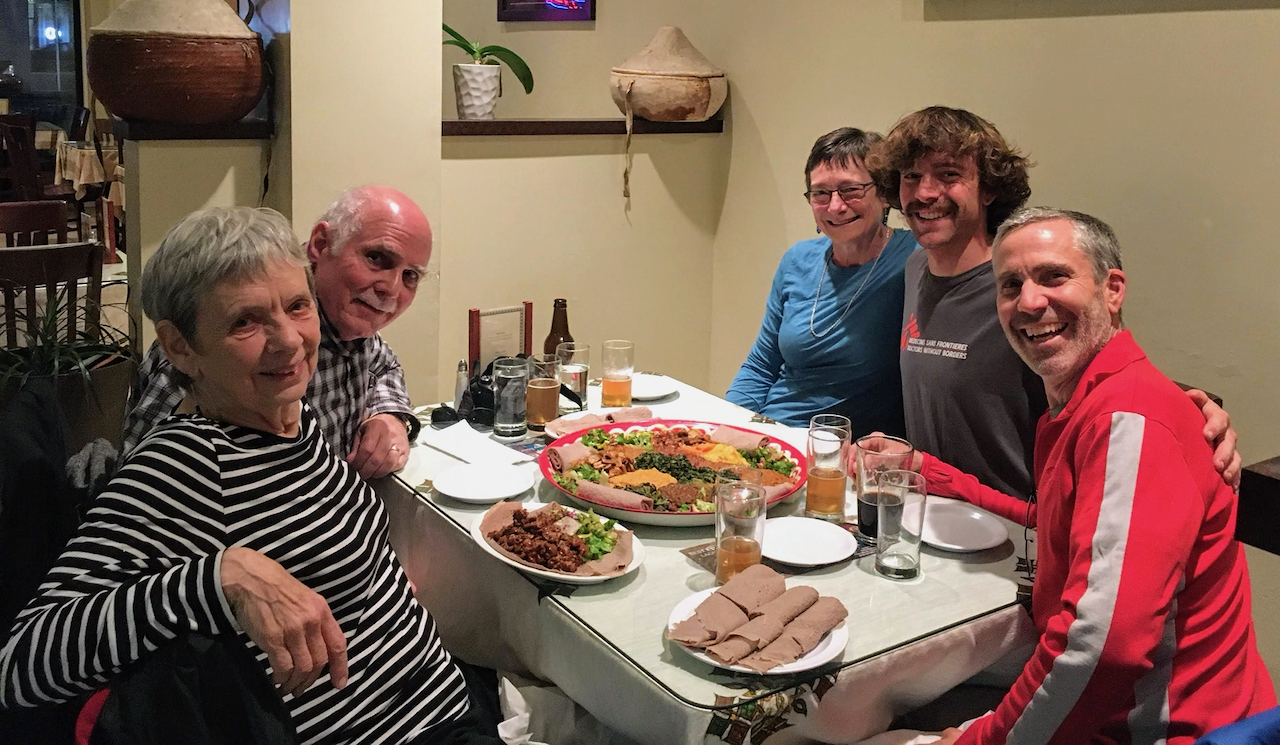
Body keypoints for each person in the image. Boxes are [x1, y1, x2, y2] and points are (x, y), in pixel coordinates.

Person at [0, 208, 499, 744]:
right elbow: (21, 664)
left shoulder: (292, 416)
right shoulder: (186, 463)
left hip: (445, 698)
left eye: (298, 306)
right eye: (245, 321)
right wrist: (221, 577)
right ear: (180, 346)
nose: (288, 340)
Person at [910, 209, 1274, 744]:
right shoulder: (1086, 404)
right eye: (1011, 285)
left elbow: (1103, 644)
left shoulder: (1128, 420)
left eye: (1054, 276)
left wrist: (978, 741)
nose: (1029, 302)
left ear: (1113, 290)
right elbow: (1052, 526)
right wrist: (928, 472)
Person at [865, 106, 1240, 496]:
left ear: (988, 189)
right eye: (911, 176)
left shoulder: (1025, 290)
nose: (925, 193)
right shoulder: (914, 268)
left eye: (948, 174)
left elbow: (1112, 376)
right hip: (932, 510)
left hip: (1019, 522)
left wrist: (1196, 417)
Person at [122, 185, 431, 480]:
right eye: (376, 258)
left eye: (410, 275)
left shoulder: (351, 322)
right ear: (321, 245)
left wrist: (390, 416)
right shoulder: (200, 351)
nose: (392, 289)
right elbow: (144, 479)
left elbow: (384, 365)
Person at [727, 128, 917, 433]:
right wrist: (729, 424)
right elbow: (761, 365)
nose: (835, 206)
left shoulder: (915, 258)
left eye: (851, 190)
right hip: (773, 431)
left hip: (845, 447)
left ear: (884, 194)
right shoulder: (797, 259)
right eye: (820, 193)